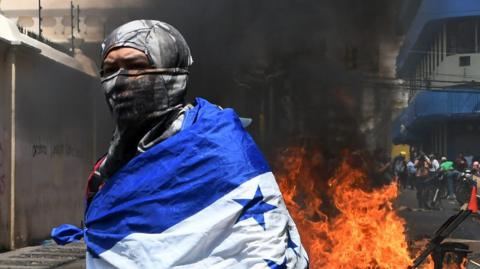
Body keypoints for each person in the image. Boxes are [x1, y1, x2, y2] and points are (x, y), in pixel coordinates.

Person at [51, 20, 308, 268]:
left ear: (174, 74)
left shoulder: (219, 145)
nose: (121, 80)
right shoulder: (103, 173)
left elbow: (262, 245)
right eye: (110, 69)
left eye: (135, 65)